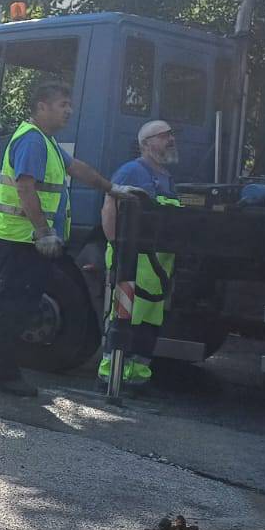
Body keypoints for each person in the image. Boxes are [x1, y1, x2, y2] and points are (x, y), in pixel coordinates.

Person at [0, 78, 143, 397]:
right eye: (62, 105)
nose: (69, 111)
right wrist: (43, 232)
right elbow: (26, 188)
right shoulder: (32, 141)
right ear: (41, 107)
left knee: (17, 306)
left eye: (69, 105)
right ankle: (3, 372)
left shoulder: (47, 141)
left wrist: (111, 188)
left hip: (24, 239)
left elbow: (78, 168)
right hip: (22, 240)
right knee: (15, 307)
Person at [98, 119, 182, 389]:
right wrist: (115, 245)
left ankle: (136, 377)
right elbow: (109, 205)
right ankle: (112, 375)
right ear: (146, 144)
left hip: (157, 267)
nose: (171, 139)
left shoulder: (166, 176)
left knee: (148, 322)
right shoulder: (131, 171)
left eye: (171, 135)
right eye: (164, 135)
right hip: (132, 262)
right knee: (124, 318)